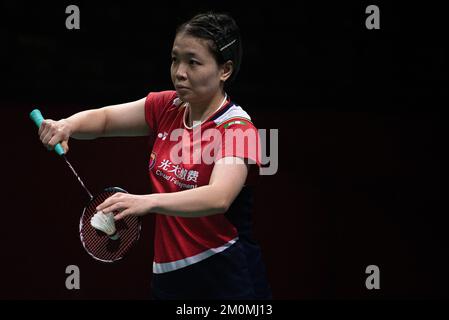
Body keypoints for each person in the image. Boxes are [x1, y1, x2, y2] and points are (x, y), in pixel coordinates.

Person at [38, 12, 272, 300]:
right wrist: (67, 125)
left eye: (193, 62)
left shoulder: (238, 128)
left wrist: (146, 203)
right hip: (169, 277)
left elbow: (218, 197)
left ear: (225, 70)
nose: (180, 72)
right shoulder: (167, 106)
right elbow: (106, 120)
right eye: (175, 59)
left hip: (226, 278)